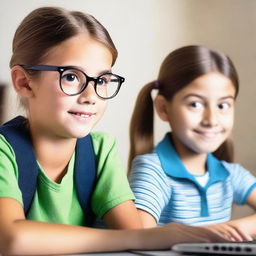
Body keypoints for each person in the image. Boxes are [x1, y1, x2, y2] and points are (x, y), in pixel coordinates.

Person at [128, 45, 256, 241]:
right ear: (163, 108)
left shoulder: (231, 174)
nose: (211, 119)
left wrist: (227, 229)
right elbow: (142, 236)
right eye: (195, 104)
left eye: (223, 105)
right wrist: (220, 233)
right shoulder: (153, 169)